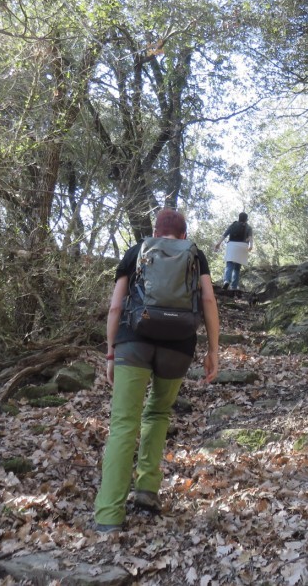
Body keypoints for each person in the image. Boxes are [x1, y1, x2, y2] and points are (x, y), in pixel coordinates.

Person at [94, 208, 219, 532]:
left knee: (123, 424)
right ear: (184, 235)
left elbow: (115, 306)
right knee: (158, 414)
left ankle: (109, 515)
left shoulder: (137, 251)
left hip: (133, 341)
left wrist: (110, 351)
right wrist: (213, 350)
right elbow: (207, 301)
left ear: (154, 231)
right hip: (178, 345)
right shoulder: (195, 255)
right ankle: (147, 492)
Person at [214, 212, 253, 290]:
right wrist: (251, 246)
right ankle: (234, 287)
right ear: (246, 219)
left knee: (229, 265)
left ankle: (226, 281)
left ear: (239, 218)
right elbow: (250, 238)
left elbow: (225, 235)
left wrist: (218, 244)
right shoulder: (248, 227)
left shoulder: (233, 225)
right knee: (237, 268)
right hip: (242, 246)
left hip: (232, 245)